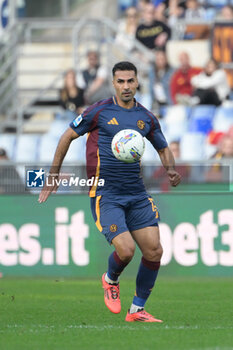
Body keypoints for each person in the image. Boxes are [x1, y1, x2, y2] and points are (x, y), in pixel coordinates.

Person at [39, 61, 181, 322]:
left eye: (130, 81)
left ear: (137, 82)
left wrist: (170, 169)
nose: (126, 86)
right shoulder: (99, 111)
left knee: (154, 251)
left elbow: (162, 146)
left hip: (137, 193)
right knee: (126, 251)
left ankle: (137, 310)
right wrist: (53, 175)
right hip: (106, 194)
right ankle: (110, 278)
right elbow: (66, 136)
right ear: (114, 83)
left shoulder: (147, 117)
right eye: (120, 81)